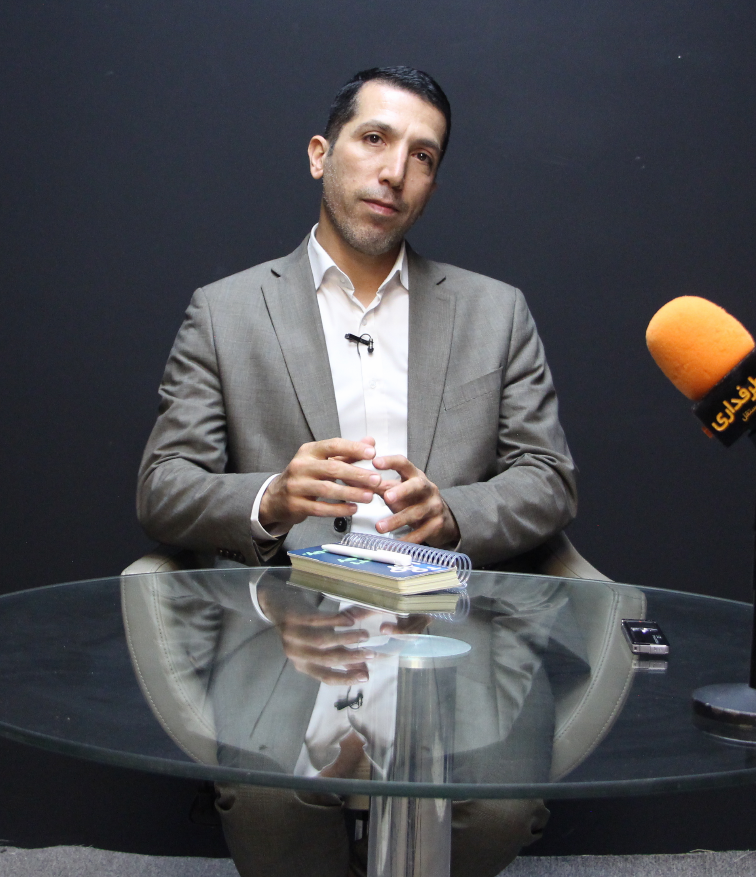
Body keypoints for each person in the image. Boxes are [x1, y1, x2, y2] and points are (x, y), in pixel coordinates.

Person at [131, 66, 605, 877]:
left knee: (501, 808)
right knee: (269, 804)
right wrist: (273, 498)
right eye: (375, 139)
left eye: (423, 156)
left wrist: (452, 514)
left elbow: (548, 477)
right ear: (321, 153)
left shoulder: (496, 312)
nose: (394, 171)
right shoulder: (225, 311)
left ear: (432, 183)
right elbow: (163, 485)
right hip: (284, 625)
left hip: (452, 622)